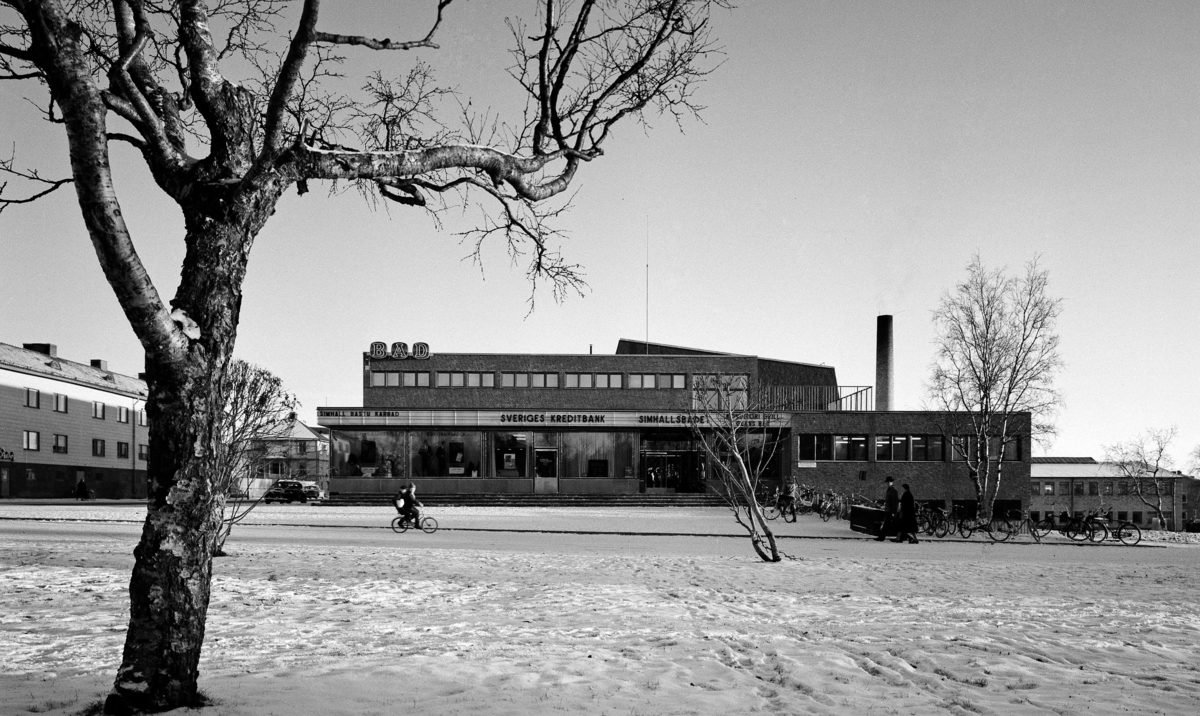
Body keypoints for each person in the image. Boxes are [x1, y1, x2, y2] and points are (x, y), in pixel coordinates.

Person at [875, 476, 899, 541]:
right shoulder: (889, 490)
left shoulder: (893, 491)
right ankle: (904, 536)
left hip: (890, 511)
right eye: (888, 482)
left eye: (889, 482)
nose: (888, 483)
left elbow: (895, 502)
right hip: (888, 510)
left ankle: (881, 537)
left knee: (887, 524)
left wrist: (894, 511)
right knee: (893, 524)